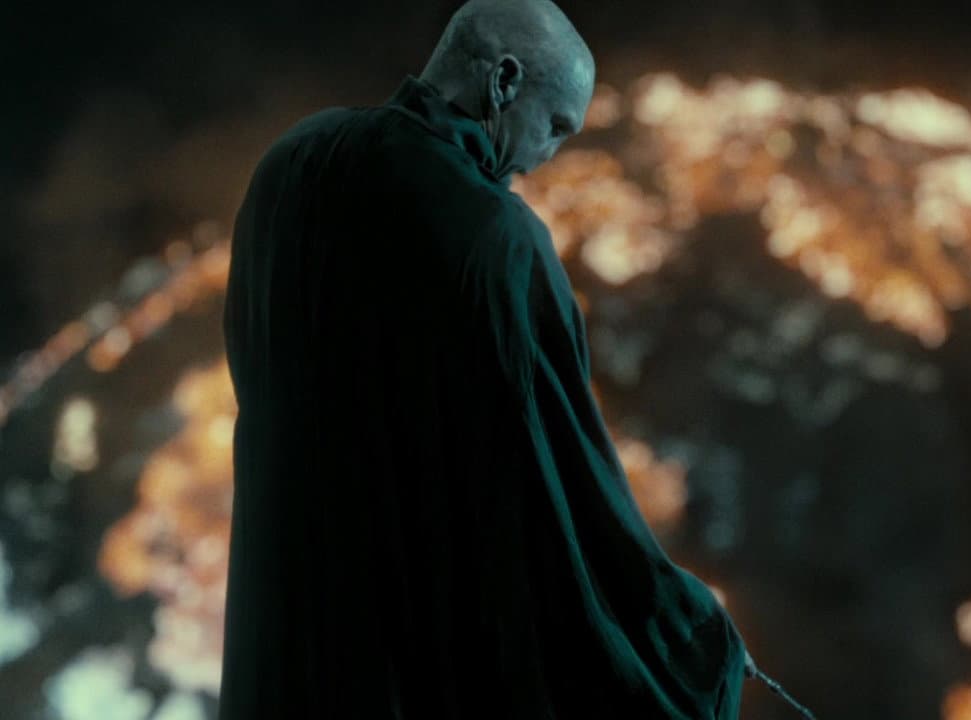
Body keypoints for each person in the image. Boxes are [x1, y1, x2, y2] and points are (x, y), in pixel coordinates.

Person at [218, 1, 751, 717]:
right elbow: (560, 484)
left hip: (277, 634)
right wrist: (688, 631)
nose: (549, 155)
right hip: (402, 655)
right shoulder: (498, 241)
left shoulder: (292, 162)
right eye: (555, 125)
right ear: (503, 81)